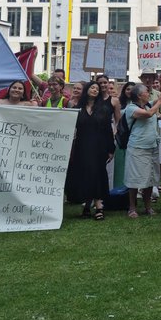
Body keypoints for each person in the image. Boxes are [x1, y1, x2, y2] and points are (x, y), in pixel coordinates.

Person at [65, 81, 115, 220]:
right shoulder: (77, 108)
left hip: (99, 146)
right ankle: (86, 206)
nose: (95, 90)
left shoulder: (103, 108)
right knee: (84, 175)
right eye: (92, 87)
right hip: (82, 146)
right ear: (87, 89)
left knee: (97, 174)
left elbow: (108, 130)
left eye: (97, 89)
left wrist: (111, 149)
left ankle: (99, 207)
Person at [123, 84, 161, 218]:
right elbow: (148, 114)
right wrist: (159, 102)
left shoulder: (148, 105)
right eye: (146, 92)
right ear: (139, 95)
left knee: (150, 178)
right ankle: (132, 208)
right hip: (138, 148)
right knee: (134, 178)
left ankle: (148, 207)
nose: (149, 93)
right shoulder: (131, 108)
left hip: (152, 147)